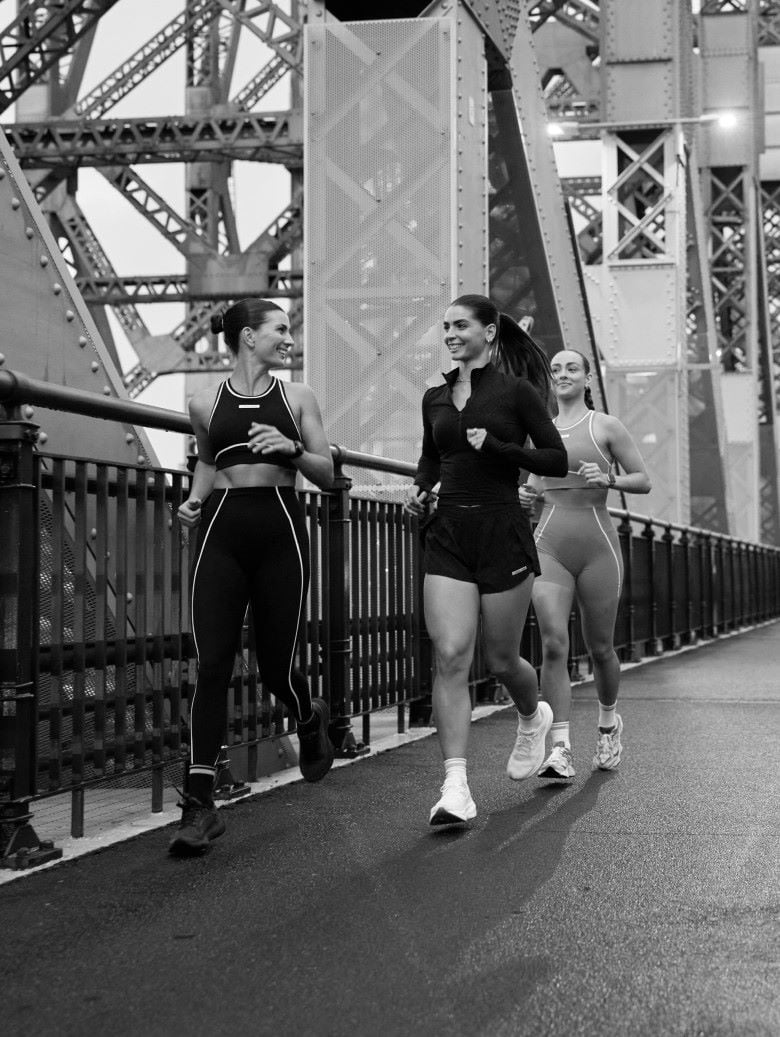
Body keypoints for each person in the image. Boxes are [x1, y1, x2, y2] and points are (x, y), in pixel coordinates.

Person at [170, 298, 335, 856]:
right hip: (218, 528)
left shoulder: (297, 398)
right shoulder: (203, 402)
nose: (288, 339)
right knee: (211, 663)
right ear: (248, 337)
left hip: (280, 528)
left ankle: (309, 716)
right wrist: (192, 501)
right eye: (280, 330)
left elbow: (326, 471)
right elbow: (208, 459)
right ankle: (199, 803)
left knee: (273, 669)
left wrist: (291, 447)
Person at [404, 294, 568, 826]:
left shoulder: (516, 392)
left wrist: (499, 448)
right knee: (450, 654)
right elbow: (433, 458)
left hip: (502, 529)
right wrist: (421, 488)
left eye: (461, 325)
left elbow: (555, 458)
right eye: (445, 326)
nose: (450, 334)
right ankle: (456, 786)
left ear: (489, 332)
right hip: (448, 531)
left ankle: (532, 714)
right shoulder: (434, 396)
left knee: (500, 660)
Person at [518, 349, 651, 783]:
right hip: (549, 544)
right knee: (554, 643)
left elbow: (642, 479)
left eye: (571, 368)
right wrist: (527, 495)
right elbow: (536, 483)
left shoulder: (605, 426)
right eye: (555, 370)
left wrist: (609, 479)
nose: (562, 375)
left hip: (598, 545)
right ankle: (560, 748)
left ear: (587, 377)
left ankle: (609, 724)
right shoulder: (542, 431)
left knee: (600, 648)